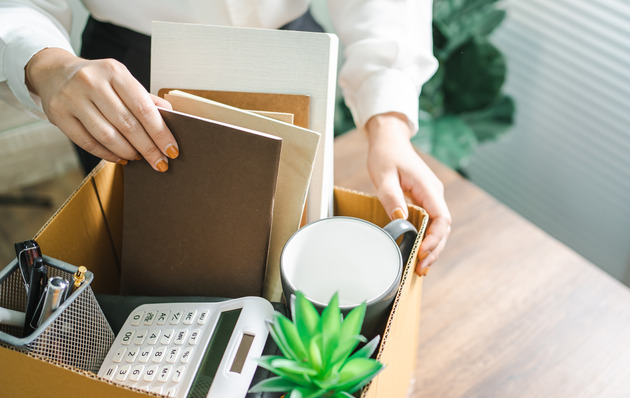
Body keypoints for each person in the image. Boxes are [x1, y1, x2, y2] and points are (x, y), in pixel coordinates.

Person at [0, 1, 451, 276]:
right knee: (154, 262)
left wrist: (388, 120)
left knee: (295, 245)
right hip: (132, 84)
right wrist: (47, 64)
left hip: (296, 60)